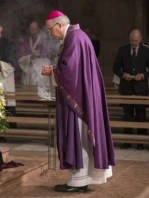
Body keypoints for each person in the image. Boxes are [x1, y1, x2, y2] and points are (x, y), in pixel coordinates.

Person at [41, 10, 115, 193]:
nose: (50, 34)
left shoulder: (74, 38)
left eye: (50, 29)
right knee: (81, 138)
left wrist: (53, 71)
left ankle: (79, 181)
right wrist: (56, 69)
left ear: (59, 24)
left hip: (78, 99)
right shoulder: (76, 36)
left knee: (79, 138)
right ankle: (79, 180)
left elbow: (70, 72)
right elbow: (71, 67)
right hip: (83, 93)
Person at [113, 29, 149, 150]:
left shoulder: (146, 51)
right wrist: (123, 75)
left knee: (141, 115)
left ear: (140, 39)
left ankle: (140, 142)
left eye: (136, 41)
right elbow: (115, 68)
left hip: (141, 88)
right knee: (127, 115)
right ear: (129, 39)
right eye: (132, 40)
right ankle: (127, 141)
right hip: (126, 87)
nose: (134, 43)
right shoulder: (123, 50)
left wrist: (143, 75)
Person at [0, 20, 18, 129]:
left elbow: (13, 62)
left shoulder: (8, 43)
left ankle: (8, 126)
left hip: (5, 75)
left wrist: (0, 64)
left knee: (7, 101)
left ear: (1, 28)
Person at [18, 21, 51, 87]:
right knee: (30, 72)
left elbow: (47, 54)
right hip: (29, 65)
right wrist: (29, 56)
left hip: (40, 64)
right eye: (32, 29)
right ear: (29, 30)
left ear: (38, 29)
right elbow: (21, 55)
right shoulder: (26, 42)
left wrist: (39, 55)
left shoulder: (44, 41)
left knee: (41, 72)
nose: (33, 31)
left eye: (35, 29)